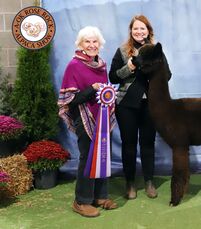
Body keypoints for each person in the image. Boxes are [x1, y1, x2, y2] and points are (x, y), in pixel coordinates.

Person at [109, 15, 171, 200]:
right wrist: (129, 67)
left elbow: (167, 75)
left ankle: (149, 181)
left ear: (148, 30)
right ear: (131, 31)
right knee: (128, 144)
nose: (139, 32)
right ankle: (130, 183)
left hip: (150, 104)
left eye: (142, 28)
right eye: (135, 28)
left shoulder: (155, 50)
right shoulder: (122, 50)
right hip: (126, 104)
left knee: (147, 143)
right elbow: (113, 77)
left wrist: (152, 71)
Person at [58, 26, 117, 217]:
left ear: (100, 44)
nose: (92, 45)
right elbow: (70, 100)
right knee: (88, 157)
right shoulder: (74, 65)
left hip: (102, 118)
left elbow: (105, 94)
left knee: (102, 155)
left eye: (95, 41)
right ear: (80, 44)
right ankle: (81, 201)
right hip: (83, 118)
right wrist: (92, 88)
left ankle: (100, 196)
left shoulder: (102, 65)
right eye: (87, 41)